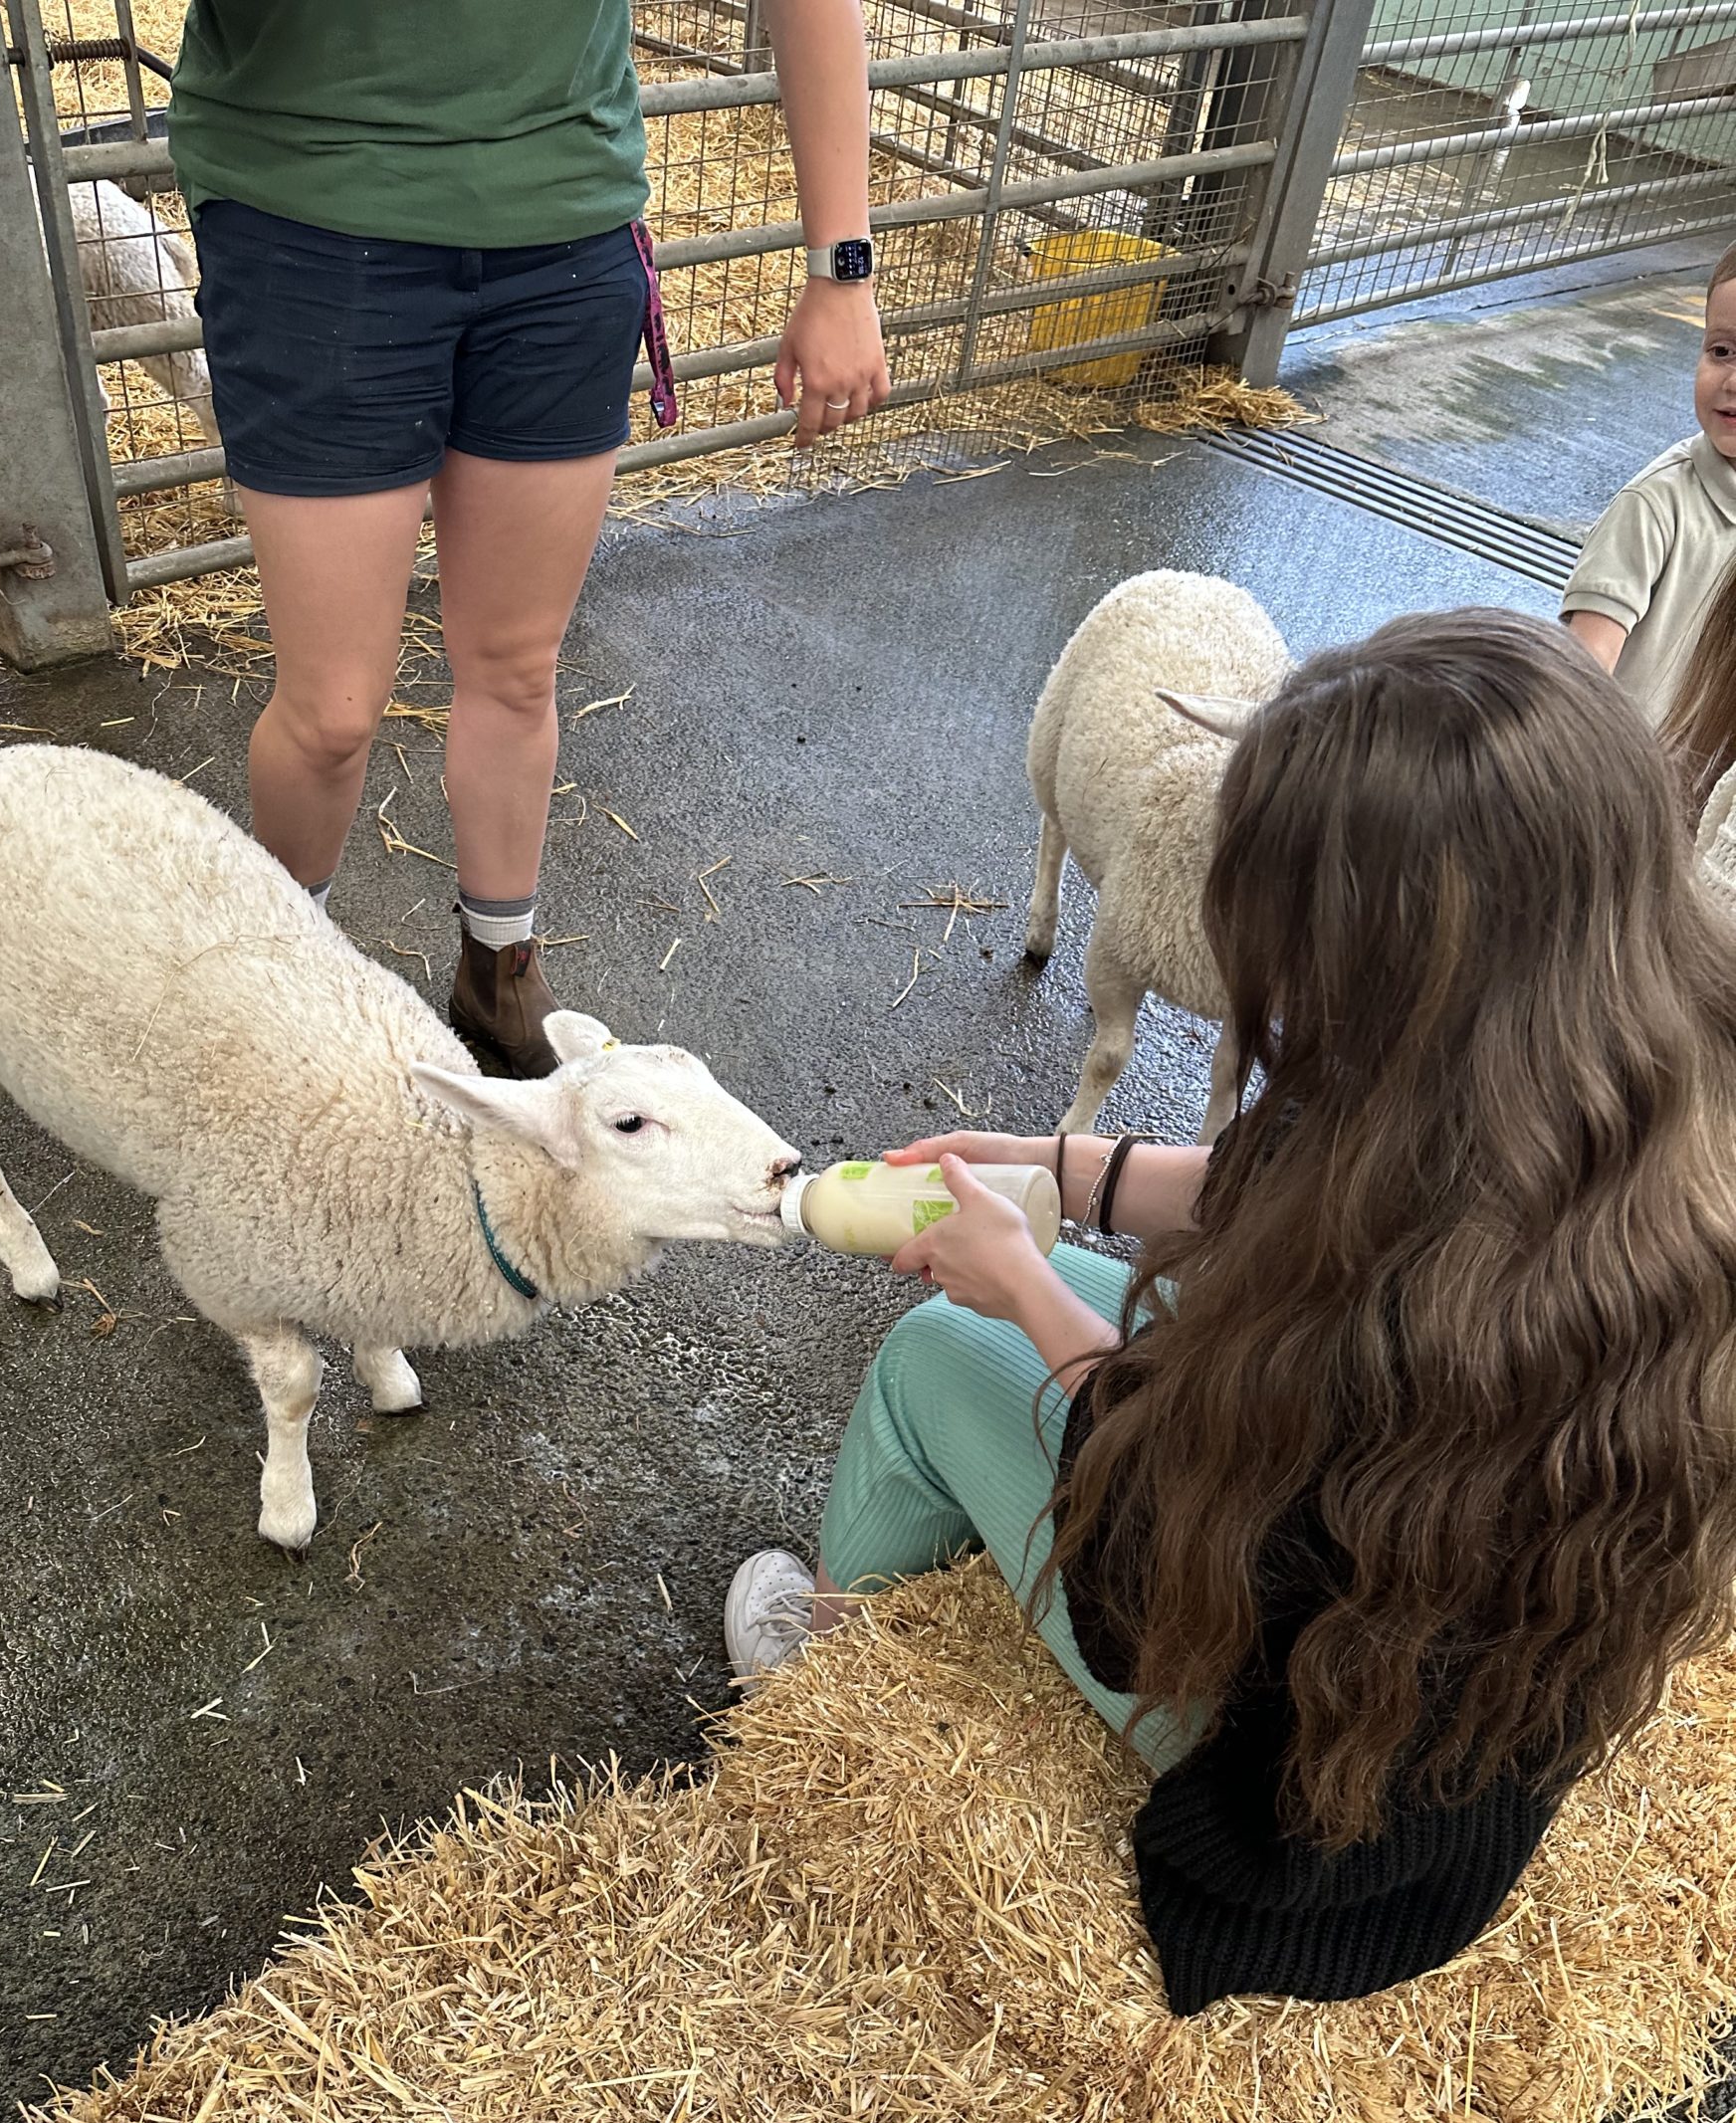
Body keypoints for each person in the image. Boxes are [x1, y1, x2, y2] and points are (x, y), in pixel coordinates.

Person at [727, 612, 1736, 2016]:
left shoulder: (1415, 1326)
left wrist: (1020, 1285)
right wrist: (1069, 1170)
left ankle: (833, 1664)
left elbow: (1153, 1576)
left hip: (1304, 1786)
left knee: (927, 1357)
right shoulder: (1623, 1081)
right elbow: (1323, 1182)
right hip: (1472, 1736)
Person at [168, 1, 890, 1074]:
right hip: (312, 223)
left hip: (560, 234)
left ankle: (496, 970)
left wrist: (843, 267)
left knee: (514, 666)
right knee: (331, 711)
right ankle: (282, 980)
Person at [1562, 242, 1736, 740]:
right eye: (1722, 351)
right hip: (1634, 782)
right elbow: (1584, 663)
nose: (1732, 380)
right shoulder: (1656, 505)